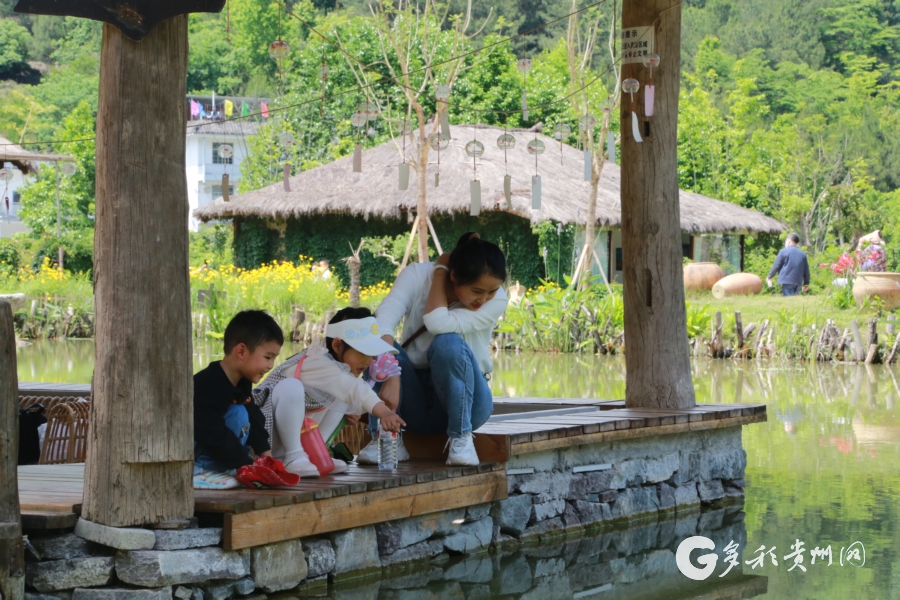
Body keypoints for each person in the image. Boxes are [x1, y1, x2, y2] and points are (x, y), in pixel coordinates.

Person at [357, 232, 509, 466]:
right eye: (477, 291)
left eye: (491, 291)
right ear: (455, 275)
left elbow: (437, 323)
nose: (484, 299)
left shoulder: (497, 300)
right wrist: (392, 375)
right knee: (372, 343)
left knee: (447, 342)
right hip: (412, 401)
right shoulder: (416, 275)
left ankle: (461, 439)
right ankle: (387, 436)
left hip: (469, 403)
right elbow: (380, 322)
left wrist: (440, 271)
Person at [252, 307, 406, 477]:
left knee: (343, 396)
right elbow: (354, 389)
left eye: (372, 354)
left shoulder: (341, 375)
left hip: (284, 440)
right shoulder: (318, 362)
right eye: (362, 352)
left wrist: (352, 412)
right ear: (337, 345)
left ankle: (316, 455)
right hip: (264, 438)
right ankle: (294, 456)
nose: (368, 361)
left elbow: (353, 393)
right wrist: (384, 412)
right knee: (291, 387)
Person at [193, 310, 283, 490]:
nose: (270, 365)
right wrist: (245, 464)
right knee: (238, 412)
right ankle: (200, 471)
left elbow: (254, 418)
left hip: (221, 453)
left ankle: (223, 468)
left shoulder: (241, 382)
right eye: (267, 357)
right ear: (241, 351)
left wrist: (267, 458)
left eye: (274, 359)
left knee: (246, 411)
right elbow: (210, 431)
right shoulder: (209, 384)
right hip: (195, 452)